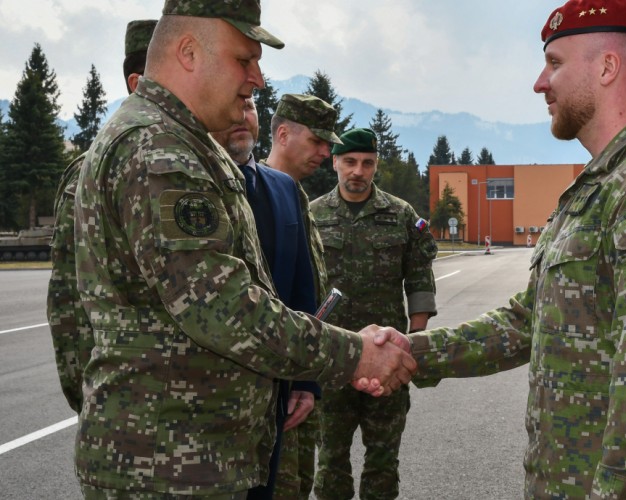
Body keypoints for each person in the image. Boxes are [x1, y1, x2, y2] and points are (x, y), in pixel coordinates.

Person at [70, 1, 415, 497]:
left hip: (196, 454)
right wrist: (353, 352)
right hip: (166, 465)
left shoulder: (190, 145)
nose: (258, 78)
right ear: (188, 52)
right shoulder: (157, 150)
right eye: (244, 59)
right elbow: (224, 307)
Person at [402, 0, 626, 498]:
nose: (539, 82)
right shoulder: (601, 185)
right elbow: (527, 321)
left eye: (555, 63)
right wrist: (413, 352)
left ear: (607, 67)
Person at [310, 128, 438, 500]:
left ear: (375, 165)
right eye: (349, 162)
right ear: (335, 162)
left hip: (385, 357)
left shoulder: (400, 215)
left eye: (366, 163)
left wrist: (410, 346)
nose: (357, 171)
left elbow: (419, 281)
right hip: (333, 359)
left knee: (383, 460)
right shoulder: (312, 215)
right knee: (331, 460)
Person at [210, 97, 321, 500]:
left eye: (251, 106)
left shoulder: (283, 188)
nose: (243, 115)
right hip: (208, 401)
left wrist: (306, 381)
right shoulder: (191, 186)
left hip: (274, 397)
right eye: (233, 103)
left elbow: (301, 292)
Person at [47, 18, 156, 413]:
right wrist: (90, 397)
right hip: (126, 404)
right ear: (136, 82)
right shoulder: (94, 169)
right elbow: (69, 300)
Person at [263, 93, 343, 499]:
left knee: (300, 485)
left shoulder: (299, 200)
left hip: (300, 379)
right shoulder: (254, 198)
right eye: (317, 141)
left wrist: (308, 381)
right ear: (282, 134)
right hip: (271, 388)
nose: (326, 153)